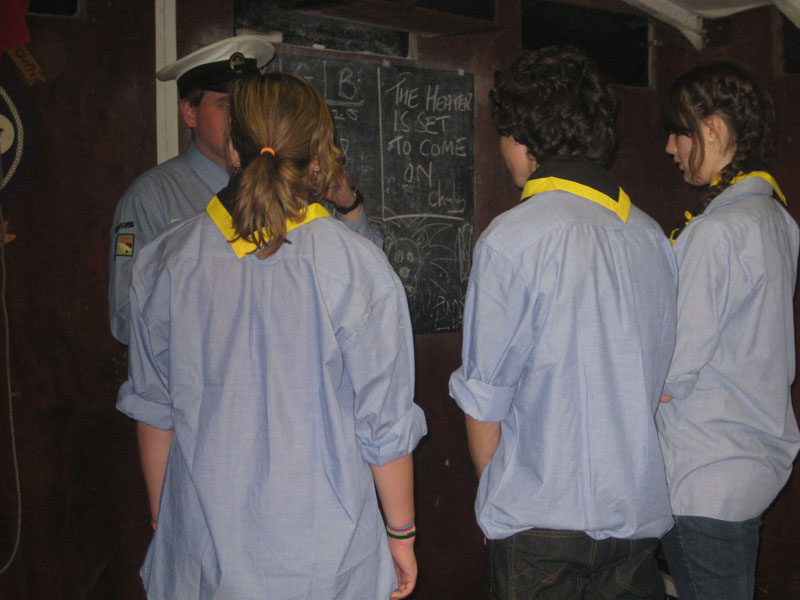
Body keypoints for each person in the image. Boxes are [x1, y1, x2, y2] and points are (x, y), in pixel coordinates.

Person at [116, 72, 427, 599]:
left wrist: (165, 524)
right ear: (318, 158)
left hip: (205, 555)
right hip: (327, 562)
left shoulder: (164, 261)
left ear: (233, 149)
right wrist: (401, 535)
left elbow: (154, 412)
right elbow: (385, 425)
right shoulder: (358, 267)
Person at [449, 46, 677, 599]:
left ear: (522, 137)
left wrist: (500, 503)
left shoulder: (512, 238)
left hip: (537, 529)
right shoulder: (652, 238)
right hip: (634, 523)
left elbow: (484, 399)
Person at [108, 35, 382, 344]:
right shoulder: (151, 197)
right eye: (226, 105)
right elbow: (127, 317)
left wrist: (347, 205)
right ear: (190, 112)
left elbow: (365, 285)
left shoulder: (288, 179)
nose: (238, 118)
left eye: (246, 107)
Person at [656, 60, 800, 600]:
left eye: (679, 132)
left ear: (712, 129)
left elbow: (671, 372)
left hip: (705, 474)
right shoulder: (777, 219)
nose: (671, 148)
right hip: (749, 464)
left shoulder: (717, 232)